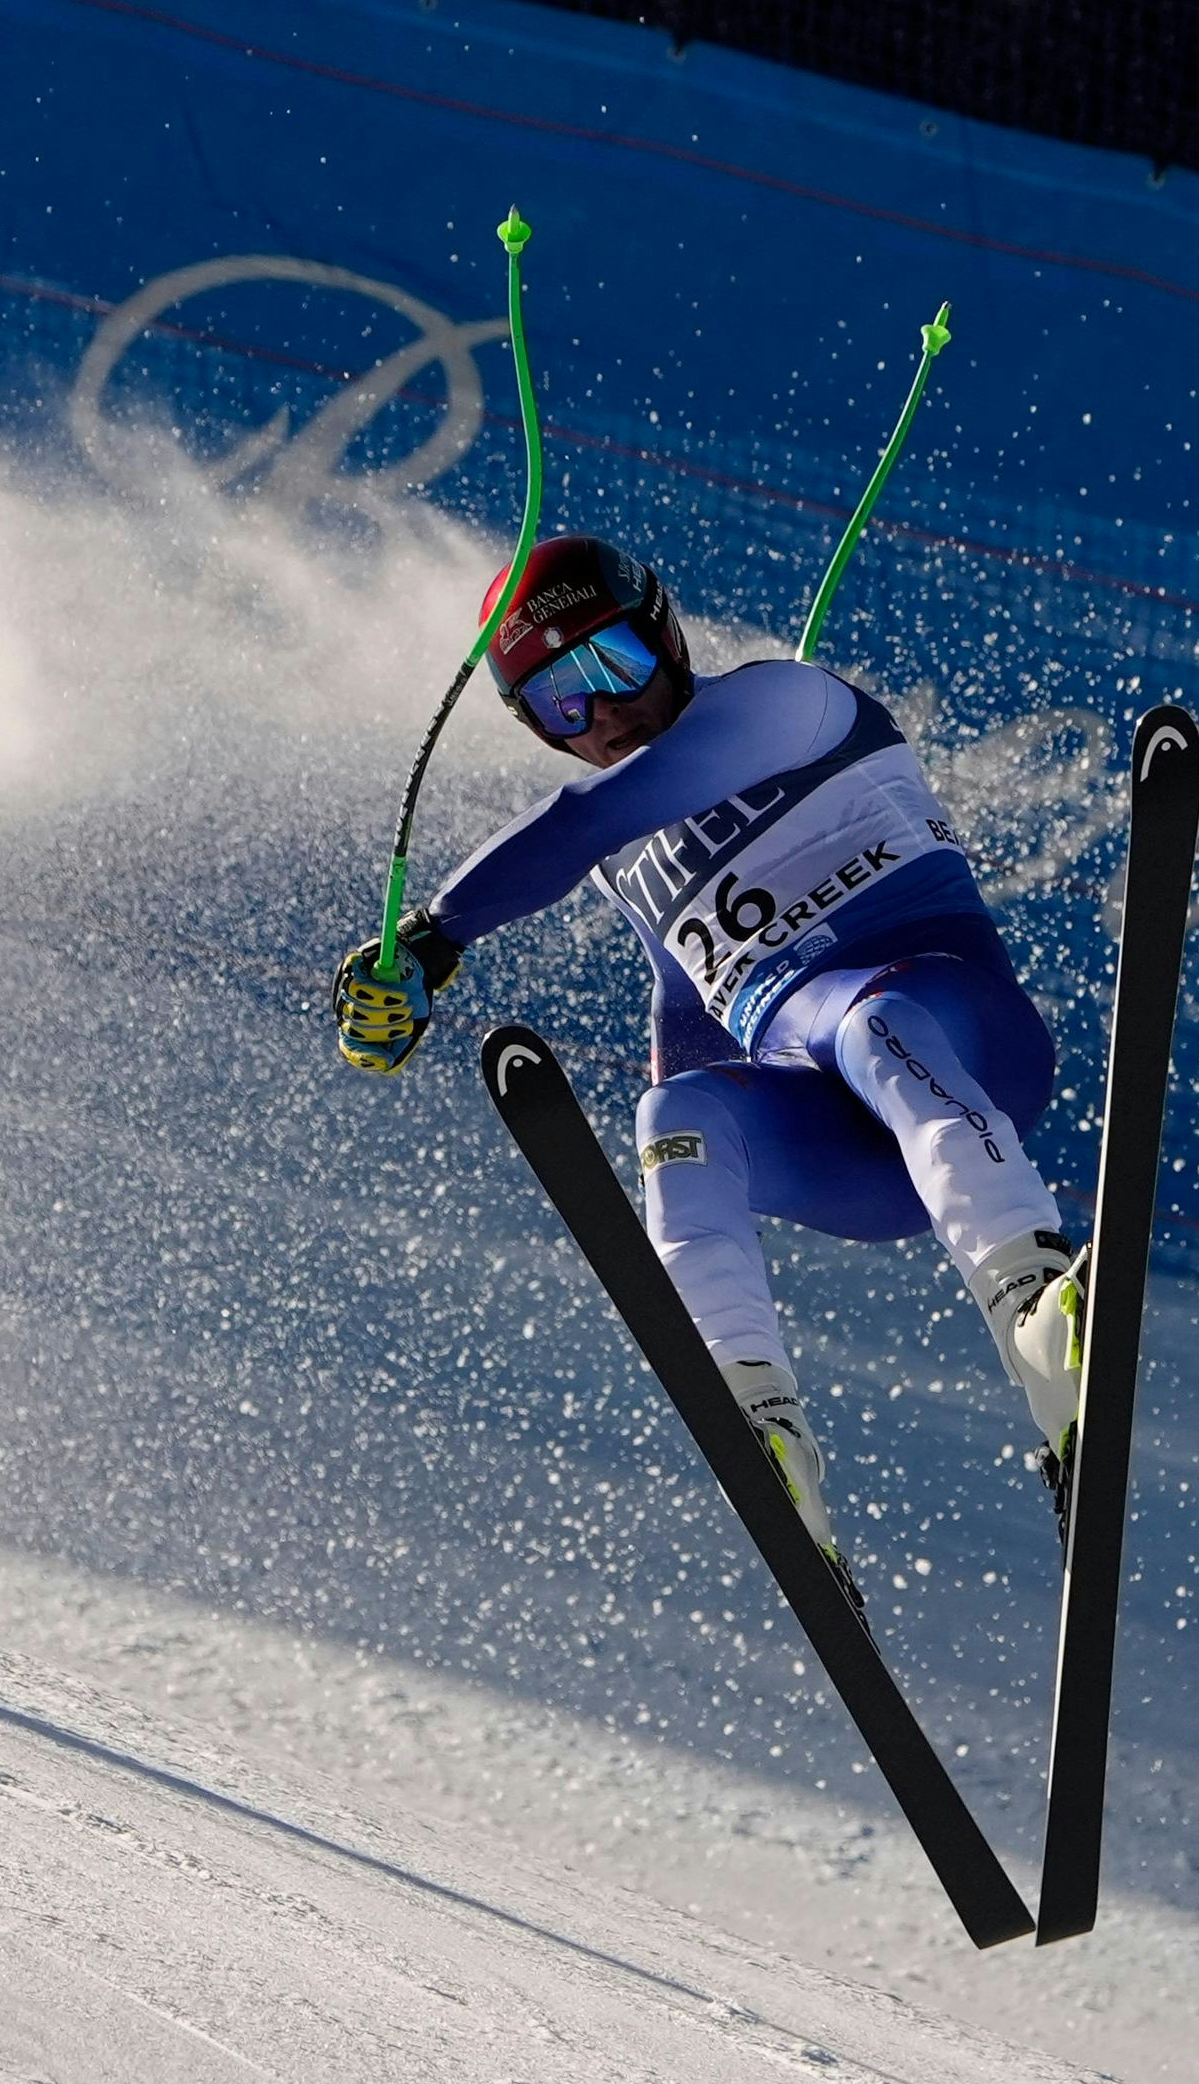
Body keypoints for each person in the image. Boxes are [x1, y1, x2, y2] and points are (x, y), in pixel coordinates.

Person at [336, 533, 1089, 1551]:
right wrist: (689, 1157)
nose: (603, 713)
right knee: (674, 1114)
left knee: (870, 1019)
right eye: (564, 701)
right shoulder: (626, 857)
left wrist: (432, 936)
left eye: (615, 663)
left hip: (958, 1049)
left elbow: (579, 819)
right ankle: (761, 1433)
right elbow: (685, 1006)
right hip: (855, 1156)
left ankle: (1040, 1315)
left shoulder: (782, 703)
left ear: (667, 634)